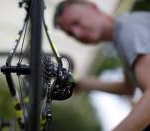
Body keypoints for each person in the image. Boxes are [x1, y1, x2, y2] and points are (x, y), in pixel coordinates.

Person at [54, 0, 150, 131]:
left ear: (93, 7)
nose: (76, 33)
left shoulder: (129, 31)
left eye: (76, 22)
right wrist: (84, 84)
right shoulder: (124, 31)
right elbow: (128, 88)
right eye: (71, 33)